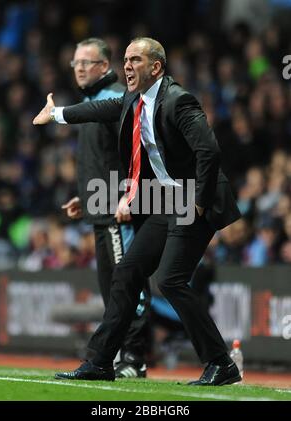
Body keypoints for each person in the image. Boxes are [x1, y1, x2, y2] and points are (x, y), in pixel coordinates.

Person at [33, 37, 242, 386]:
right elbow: (102, 110)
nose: (127, 66)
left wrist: (200, 201)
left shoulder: (179, 100)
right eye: (126, 59)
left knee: (171, 280)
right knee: (128, 271)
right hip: (166, 200)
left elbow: (209, 151)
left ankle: (221, 363)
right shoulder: (134, 98)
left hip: (194, 199)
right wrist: (56, 114)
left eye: (136, 60)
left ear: (156, 67)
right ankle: (100, 361)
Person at [59, 38, 152, 378]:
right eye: (75, 63)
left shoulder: (114, 98)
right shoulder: (92, 102)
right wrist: (84, 199)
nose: (80, 68)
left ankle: (134, 358)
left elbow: (138, 151)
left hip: (120, 212)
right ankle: (116, 355)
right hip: (100, 211)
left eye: (87, 62)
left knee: (128, 285)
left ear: (103, 66)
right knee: (111, 288)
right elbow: (102, 161)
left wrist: (129, 194)